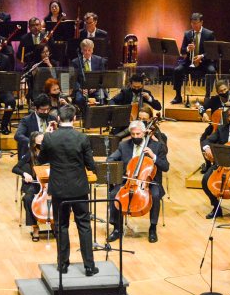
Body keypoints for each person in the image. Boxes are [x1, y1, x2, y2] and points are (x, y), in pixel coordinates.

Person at [37, 105, 98, 275]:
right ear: (75, 119)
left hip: (59, 190)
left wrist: (47, 137)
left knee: (61, 225)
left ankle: (62, 265)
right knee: (84, 225)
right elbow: (91, 165)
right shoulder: (82, 137)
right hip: (79, 188)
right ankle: (88, 266)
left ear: (57, 119)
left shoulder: (49, 138)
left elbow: (41, 160)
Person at [106, 120, 168, 243]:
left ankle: (152, 228)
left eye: (138, 134)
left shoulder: (155, 146)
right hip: (128, 181)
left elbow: (166, 167)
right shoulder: (124, 145)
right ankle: (117, 228)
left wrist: (153, 157)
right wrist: (112, 167)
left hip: (149, 182)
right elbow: (111, 158)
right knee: (114, 195)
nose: (135, 137)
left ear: (144, 132)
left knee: (155, 195)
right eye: (133, 134)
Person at [172, 13, 217, 104]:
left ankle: (207, 96)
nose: (194, 26)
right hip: (190, 62)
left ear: (201, 23)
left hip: (205, 63)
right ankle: (178, 96)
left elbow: (213, 50)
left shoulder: (209, 34)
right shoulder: (188, 34)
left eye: (196, 23)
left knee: (212, 71)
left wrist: (202, 56)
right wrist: (188, 49)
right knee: (177, 70)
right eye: (192, 23)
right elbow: (182, 50)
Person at [13, 131, 47, 241]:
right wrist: (24, 173)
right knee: (27, 199)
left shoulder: (49, 153)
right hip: (35, 184)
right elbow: (15, 168)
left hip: (49, 184)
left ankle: (54, 224)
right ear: (34, 144)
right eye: (41, 142)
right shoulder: (29, 155)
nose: (43, 144)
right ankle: (35, 227)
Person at [71, 38, 108, 115]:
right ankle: (84, 116)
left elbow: (102, 76)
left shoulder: (99, 60)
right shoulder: (76, 62)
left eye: (89, 50)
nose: (87, 52)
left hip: (96, 87)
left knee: (101, 97)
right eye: (85, 50)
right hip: (82, 88)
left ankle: (97, 115)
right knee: (79, 99)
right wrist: (80, 88)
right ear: (81, 51)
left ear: (92, 50)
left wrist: (96, 87)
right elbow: (73, 78)